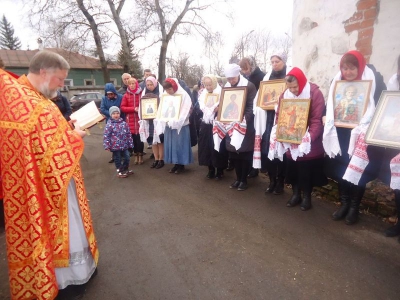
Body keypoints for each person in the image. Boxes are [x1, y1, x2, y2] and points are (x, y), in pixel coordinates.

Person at [0, 50, 98, 299]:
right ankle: (69, 278)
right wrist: (75, 136)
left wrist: (66, 130)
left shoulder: (21, 96)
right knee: (63, 227)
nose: (63, 85)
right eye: (60, 79)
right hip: (50, 188)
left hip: (36, 182)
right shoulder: (33, 103)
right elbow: (52, 152)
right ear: (44, 72)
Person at [323, 50, 385, 224]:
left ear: (360, 66)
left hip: (362, 134)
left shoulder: (374, 81)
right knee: (342, 169)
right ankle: (344, 204)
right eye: (345, 68)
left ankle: (354, 208)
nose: (347, 72)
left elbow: (382, 105)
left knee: (359, 170)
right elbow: (330, 104)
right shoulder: (337, 82)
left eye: (352, 68)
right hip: (341, 132)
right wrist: (324, 115)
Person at [271, 67, 326, 210]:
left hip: (308, 141)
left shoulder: (314, 93)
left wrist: (310, 137)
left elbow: (316, 119)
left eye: (295, 87)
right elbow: (280, 114)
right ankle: (296, 194)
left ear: (301, 82)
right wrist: (279, 129)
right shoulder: (286, 94)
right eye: (290, 87)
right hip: (290, 138)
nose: (293, 90)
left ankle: (307, 197)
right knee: (293, 169)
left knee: (306, 171)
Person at [253, 52, 288, 195]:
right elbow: (260, 97)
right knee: (269, 151)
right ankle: (272, 180)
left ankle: (280, 181)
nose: (274, 64)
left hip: (282, 118)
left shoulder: (288, 76)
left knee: (281, 152)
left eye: (277, 61)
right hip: (268, 119)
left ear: (284, 61)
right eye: (272, 61)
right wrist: (260, 106)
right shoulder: (267, 78)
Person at [221, 63, 257, 191]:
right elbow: (224, 105)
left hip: (244, 125)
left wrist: (243, 120)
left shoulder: (249, 86)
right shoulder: (226, 87)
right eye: (229, 79)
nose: (231, 81)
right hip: (230, 124)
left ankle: (244, 179)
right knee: (233, 153)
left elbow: (251, 106)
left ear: (238, 75)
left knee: (243, 153)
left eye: (233, 78)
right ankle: (237, 178)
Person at [240, 56, 266, 179]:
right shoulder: (245, 78)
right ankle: (251, 167)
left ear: (251, 65)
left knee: (255, 141)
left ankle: (255, 168)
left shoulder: (260, 77)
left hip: (258, 112)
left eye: (246, 68)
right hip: (247, 112)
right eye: (242, 69)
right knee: (249, 142)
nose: (244, 71)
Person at [197, 74, 228, 180]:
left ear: (214, 83)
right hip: (206, 123)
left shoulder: (221, 92)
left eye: (210, 85)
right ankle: (210, 169)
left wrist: (220, 108)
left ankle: (219, 170)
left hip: (217, 124)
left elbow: (227, 106)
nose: (208, 87)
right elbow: (200, 105)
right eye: (206, 85)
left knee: (218, 147)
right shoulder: (203, 94)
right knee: (206, 147)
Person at [161, 78, 193, 174]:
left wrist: (179, 119)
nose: (168, 92)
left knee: (180, 144)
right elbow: (162, 107)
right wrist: (163, 117)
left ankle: (181, 164)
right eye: (166, 90)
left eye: (169, 89)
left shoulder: (183, 95)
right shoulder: (165, 95)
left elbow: (187, 109)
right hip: (169, 124)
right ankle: (175, 163)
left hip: (181, 125)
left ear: (174, 87)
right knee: (172, 144)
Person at [140, 76, 165, 169]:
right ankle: (156, 158)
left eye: (151, 84)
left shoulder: (161, 92)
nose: (149, 86)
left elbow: (164, 103)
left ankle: (161, 159)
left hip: (159, 120)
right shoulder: (145, 92)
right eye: (148, 85)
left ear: (155, 83)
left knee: (160, 140)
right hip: (150, 120)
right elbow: (142, 104)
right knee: (153, 141)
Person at [103, 106, 134, 177]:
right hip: (115, 146)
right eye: (114, 113)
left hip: (124, 145)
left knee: (127, 157)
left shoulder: (124, 123)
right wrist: (107, 145)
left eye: (117, 113)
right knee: (118, 158)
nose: (116, 115)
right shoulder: (109, 124)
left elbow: (128, 134)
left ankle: (125, 169)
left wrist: (130, 143)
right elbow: (106, 135)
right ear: (111, 115)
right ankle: (120, 171)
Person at [121, 77, 144, 164]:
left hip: (139, 120)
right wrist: (133, 109)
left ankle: (141, 155)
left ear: (136, 84)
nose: (132, 85)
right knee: (133, 140)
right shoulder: (126, 95)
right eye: (130, 84)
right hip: (130, 120)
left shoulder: (141, 94)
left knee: (140, 139)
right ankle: (136, 155)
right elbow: (123, 108)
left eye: (133, 83)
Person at [100, 82, 124, 163]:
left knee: (121, 137)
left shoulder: (120, 97)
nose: (110, 96)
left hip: (120, 119)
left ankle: (122, 154)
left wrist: (117, 114)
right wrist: (112, 114)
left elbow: (122, 106)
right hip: (110, 120)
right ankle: (114, 155)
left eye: (111, 94)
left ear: (114, 92)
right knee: (112, 138)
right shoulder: (104, 98)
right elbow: (102, 109)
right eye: (108, 94)